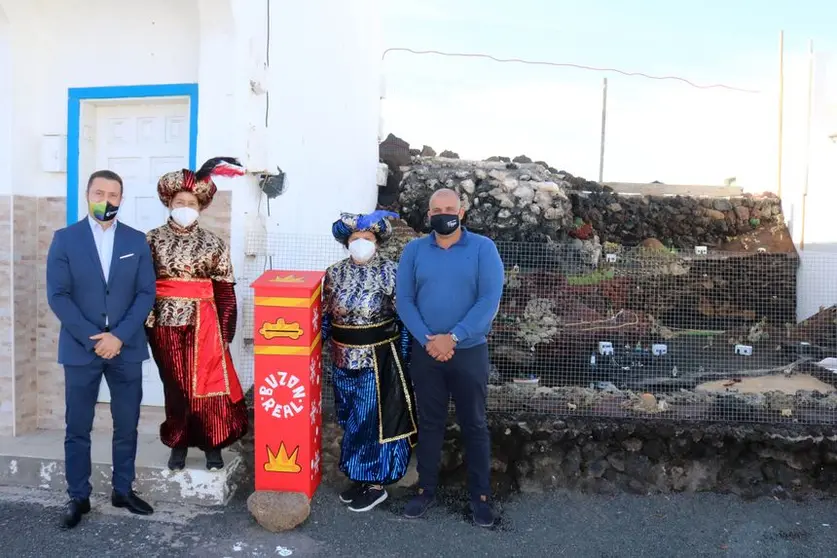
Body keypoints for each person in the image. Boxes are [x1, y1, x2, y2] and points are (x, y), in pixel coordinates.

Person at [47, 170, 157, 529]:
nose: (106, 200)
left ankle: (122, 490)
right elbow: (58, 295)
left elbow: (146, 294)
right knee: (77, 426)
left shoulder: (136, 241)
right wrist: (94, 337)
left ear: (121, 199)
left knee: (126, 425)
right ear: (87, 194)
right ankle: (78, 495)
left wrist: (119, 337)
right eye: (100, 192)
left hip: (125, 347)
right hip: (82, 349)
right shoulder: (65, 240)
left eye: (113, 194)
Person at [395, 188, 505, 528]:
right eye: (437, 209)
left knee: (474, 423)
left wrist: (453, 337)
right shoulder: (414, 251)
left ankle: (481, 497)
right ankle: (425, 490)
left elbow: (489, 299)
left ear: (462, 212)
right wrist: (430, 340)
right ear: (428, 215)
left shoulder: (483, 248)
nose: (444, 213)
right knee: (429, 424)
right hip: (427, 352)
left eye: (450, 208)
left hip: (469, 351)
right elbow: (404, 299)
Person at [145, 157, 249, 472]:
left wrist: (225, 333)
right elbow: (140, 285)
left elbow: (225, 291)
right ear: (169, 202)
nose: (185, 206)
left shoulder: (214, 243)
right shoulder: (150, 240)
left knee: (208, 390)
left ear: (201, 205)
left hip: (205, 325)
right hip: (164, 324)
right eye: (180, 201)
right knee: (176, 388)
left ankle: (212, 446)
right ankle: (177, 442)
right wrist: (144, 325)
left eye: (191, 202)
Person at [322, 211, 418, 513]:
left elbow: (404, 319)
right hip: (341, 358)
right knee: (351, 419)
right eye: (354, 238)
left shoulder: (392, 272)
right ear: (345, 242)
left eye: (367, 238)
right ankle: (359, 476)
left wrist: (402, 360)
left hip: (378, 359)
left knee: (372, 421)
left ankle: (376, 483)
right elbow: (324, 316)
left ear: (377, 242)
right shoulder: (333, 273)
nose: (360, 243)